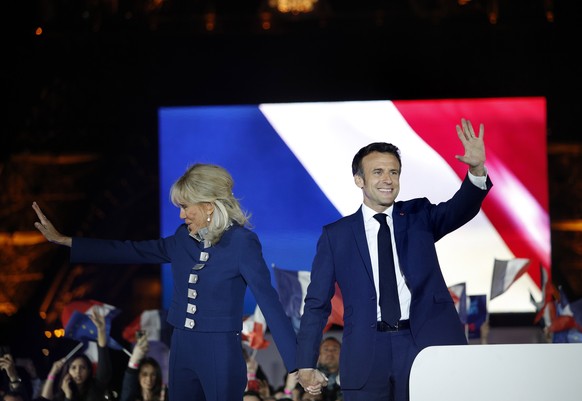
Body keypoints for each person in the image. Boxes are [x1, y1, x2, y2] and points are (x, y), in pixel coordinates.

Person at [32, 163, 298, 401]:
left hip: (220, 350)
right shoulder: (182, 239)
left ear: (208, 206)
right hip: (181, 346)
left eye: (185, 207)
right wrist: (68, 241)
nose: (181, 216)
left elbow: (270, 304)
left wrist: (299, 365)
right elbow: (130, 250)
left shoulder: (242, 243)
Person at [296, 118, 492, 401]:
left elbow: (458, 210)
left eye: (394, 172)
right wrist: (305, 362)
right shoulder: (335, 236)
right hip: (366, 351)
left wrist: (476, 171)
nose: (388, 179)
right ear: (359, 180)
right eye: (377, 172)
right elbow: (316, 304)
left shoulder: (418, 216)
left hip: (422, 343)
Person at [41, 309, 113, 401]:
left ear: (89, 371)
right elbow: (44, 399)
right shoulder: (60, 395)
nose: (78, 372)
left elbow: (104, 365)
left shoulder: (96, 388)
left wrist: (101, 330)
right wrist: (53, 373)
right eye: (73, 367)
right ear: (68, 371)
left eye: (82, 367)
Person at [119, 332, 166, 401]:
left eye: (153, 374)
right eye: (145, 374)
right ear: (138, 375)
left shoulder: (164, 395)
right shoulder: (132, 398)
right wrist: (134, 359)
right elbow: (128, 389)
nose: (149, 379)